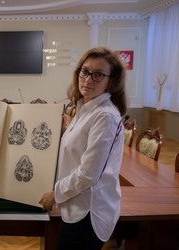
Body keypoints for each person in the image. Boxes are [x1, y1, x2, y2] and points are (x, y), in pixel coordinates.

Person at [39, 47, 127, 250]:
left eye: (98, 75)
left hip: (88, 211)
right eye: (85, 71)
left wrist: (55, 193)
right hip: (76, 206)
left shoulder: (104, 116)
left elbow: (88, 174)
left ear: (110, 81)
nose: (88, 79)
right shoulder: (86, 108)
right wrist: (71, 128)